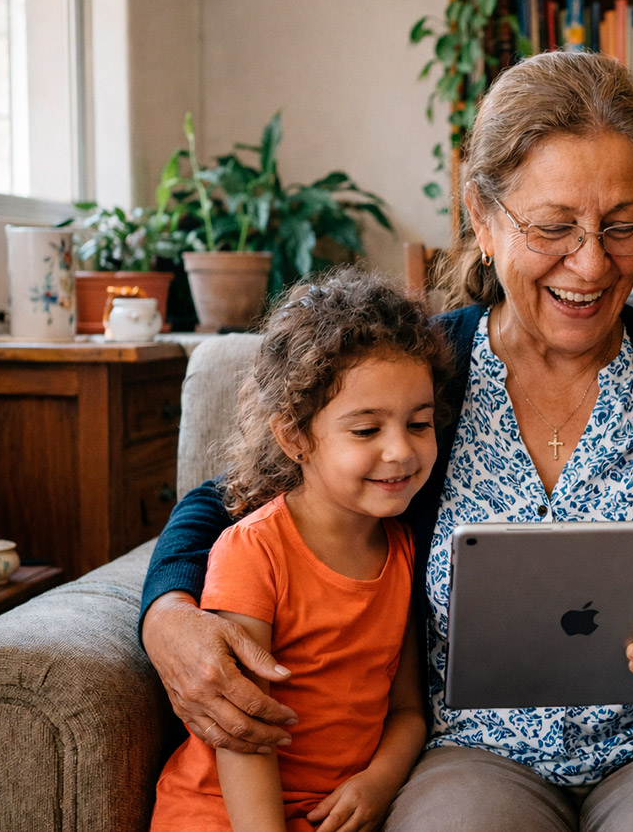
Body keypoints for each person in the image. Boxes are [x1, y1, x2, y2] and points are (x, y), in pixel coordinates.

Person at [139, 51, 633, 832]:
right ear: (482, 215)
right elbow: (232, 500)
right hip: (473, 756)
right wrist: (168, 615)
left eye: (621, 226)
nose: (591, 263)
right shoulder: (418, 373)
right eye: (554, 227)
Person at [151, 267, 448, 831]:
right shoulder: (254, 552)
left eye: (419, 423)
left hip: (332, 814)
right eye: (366, 431)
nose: (400, 452)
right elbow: (242, 733)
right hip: (225, 814)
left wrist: (380, 782)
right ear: (294, 438)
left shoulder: (407, 549)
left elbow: (409, 710)